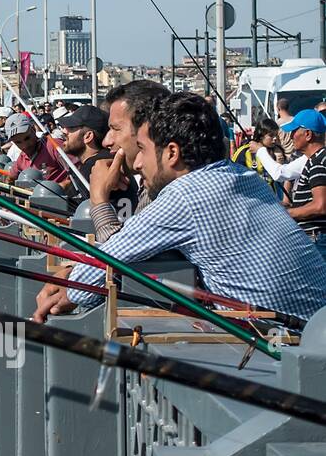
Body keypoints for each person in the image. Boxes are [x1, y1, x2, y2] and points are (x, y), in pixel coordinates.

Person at [33, 91, 326, 323]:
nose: (136, 162)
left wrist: (69, 288)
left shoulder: (187, 196)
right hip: (312, 331)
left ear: (172, 152)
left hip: (283, 342)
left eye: (144, 150)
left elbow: (108, 261)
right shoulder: (243, 176)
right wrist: (76, 272)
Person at [87, 79, 170, 242]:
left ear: (147, 130)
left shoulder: (168, 193)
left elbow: (119, 258)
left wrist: (99, 199)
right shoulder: (153, 186)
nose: (106, 141)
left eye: (116, 129)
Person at [58, 105, 138, 221]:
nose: (64, 131)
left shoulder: (94, 166)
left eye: (71, 127)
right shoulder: (106, 159)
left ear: (88, 136)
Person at [232, 117, 307, 194]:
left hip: (272, 197)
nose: (275, 139)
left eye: (276, 135)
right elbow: (233, 174)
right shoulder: (244, 151)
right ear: (261, 135)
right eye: (271, 136)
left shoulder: (278, 151)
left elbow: (283, 175)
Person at [286, 109, 326, 250]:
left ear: (308, 134)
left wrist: (287, 213)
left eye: (294, 131)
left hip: (318, 239)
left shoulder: (317, 162)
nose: (291, 136)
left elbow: (320, 206)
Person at [5, 113, 70, 184]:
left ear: (33, 129)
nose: (25, 145)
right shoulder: (22, 158)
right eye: (18, 142)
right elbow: (10, 179)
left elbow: (78, 171)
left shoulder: (54, 146)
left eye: (27, 138)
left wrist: (61, 187)